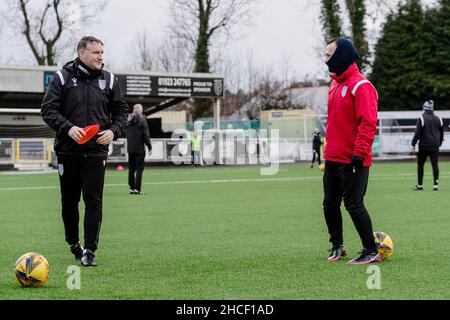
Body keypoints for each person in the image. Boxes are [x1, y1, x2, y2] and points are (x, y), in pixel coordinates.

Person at [41, 36, 129, 267]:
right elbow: (48, 109)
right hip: (68, 152)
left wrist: (114, 131)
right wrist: (68, 128)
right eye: (96, 52)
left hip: (96, 152)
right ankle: (73, 243)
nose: (101, 56)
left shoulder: (109, 80)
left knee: (94, 200)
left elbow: (121, 112)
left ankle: (89, 250)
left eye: (102, 52)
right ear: (82, 53)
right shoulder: (62, 77)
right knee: (69, 202)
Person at [323, 37, 381, 265]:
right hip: (332, 157)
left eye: (328, 55)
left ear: (342, 56)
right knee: (329, 203)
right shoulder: (334, 84)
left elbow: (368, 123)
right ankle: (337, 246)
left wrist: (359, 153)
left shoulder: (362, 85)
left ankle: (371, 250)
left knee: (354, 204)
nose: (325, 59)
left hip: (353, 159)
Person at [411, 100, 444, 191]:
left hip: (424, 146)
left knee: (420, 164)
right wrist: (439, 143)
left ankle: (420, 185)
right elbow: (441, 133)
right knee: (435, 164)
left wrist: (413, 144)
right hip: (435, 146)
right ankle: (435, 184)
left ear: (424, 108)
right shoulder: (438, 118)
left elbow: (417, 133)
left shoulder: (421, 118)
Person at [126, 104, 152, 195]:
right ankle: (138, 189)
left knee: (131, 169)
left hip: (130, 148)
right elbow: (146, 134)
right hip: (139, 149)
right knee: (139, 169)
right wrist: (149, 147)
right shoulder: (142, 119)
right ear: (141, 110)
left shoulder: (128, 120)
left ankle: (131, 188)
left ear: (133, 110)